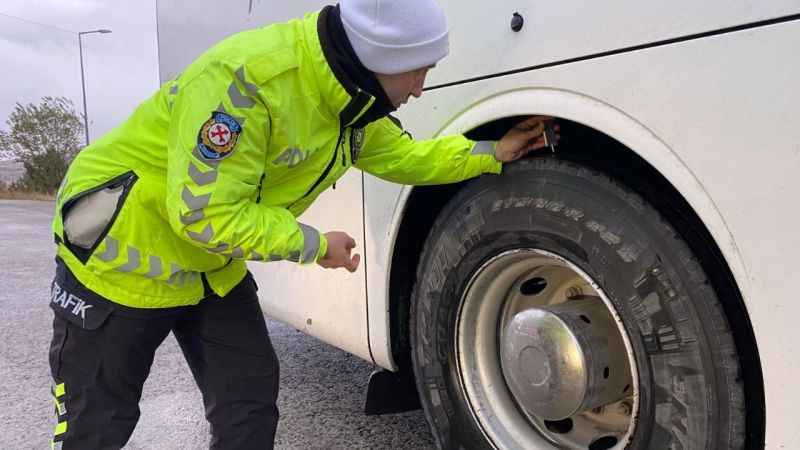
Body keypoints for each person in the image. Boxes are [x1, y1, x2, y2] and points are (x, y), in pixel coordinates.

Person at [47, 0, 554, 448]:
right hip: (123, 260)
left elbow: (408, 159)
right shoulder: (246, 84)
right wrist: (314, 245)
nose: (422, 88)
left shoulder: (350, 104)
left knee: (248, 401)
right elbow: (203, 215)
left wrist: (492, 152)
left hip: (210, 270)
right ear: (380, 60)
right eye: (417, 71)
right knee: (98, 425)